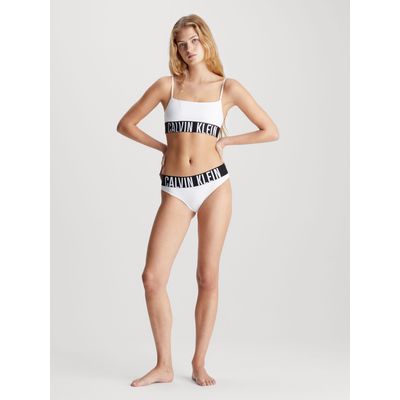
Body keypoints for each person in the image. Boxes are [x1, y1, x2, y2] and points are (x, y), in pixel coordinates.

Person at [116, 14, 279, 387]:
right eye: (181, 44)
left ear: (205, 41)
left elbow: (270, 130)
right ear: (175, 49)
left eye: (193, 40)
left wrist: (227, 141)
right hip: (175, 188)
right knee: (152, 278)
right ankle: (164, 365)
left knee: (207, 276)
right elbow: (126, 124)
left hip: (213, 187)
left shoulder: (228, 88)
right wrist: (163, 148)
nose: (188, 49)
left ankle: (199, 362)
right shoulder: (166, 86)